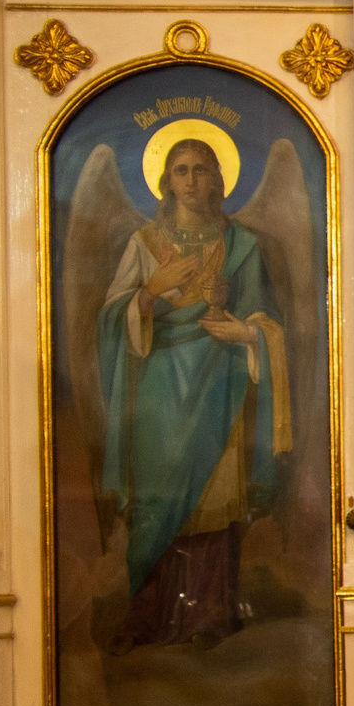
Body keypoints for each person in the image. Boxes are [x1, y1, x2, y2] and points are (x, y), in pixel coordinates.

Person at [97, 137, 292, 649]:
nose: (190, 180)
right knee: (158, 500)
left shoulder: (242, 246)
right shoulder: (144, 244)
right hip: (158, 390)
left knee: (214, 496)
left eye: (201, 170)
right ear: (165, 181)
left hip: (220, 381)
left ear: (218, 181)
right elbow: (113, 320)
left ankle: (209, 611)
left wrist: (250, 335)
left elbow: (265, 316)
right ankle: (146, 613)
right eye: (180, 170)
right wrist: (150, 290)